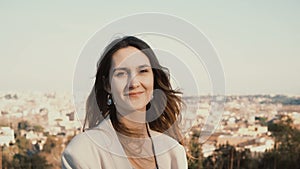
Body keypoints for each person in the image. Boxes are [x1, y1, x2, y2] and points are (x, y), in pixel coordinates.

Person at [61, 36, 188, 169]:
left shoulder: (173, 152)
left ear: (154, 80)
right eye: (121, 74)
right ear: (107, 85)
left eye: (143, 71)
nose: (133, 83)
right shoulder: (83, 152)